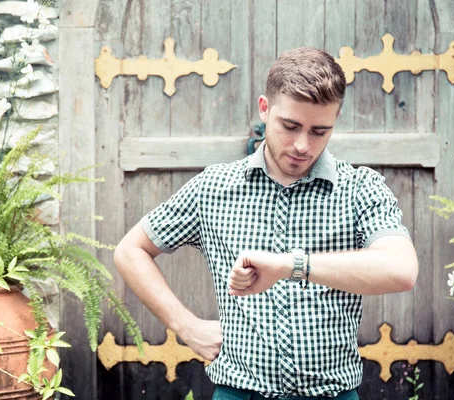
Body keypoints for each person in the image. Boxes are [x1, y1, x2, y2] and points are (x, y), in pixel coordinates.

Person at [114, 47, 418, 400]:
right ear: (264, 108)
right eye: (290, 126)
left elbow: (401, 270)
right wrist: (186, 326)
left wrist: (291, 266)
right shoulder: (213, 187)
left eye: (320, 131)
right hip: (240, 392)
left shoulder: (360, 188)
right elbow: (130, 250)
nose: (303, 145)